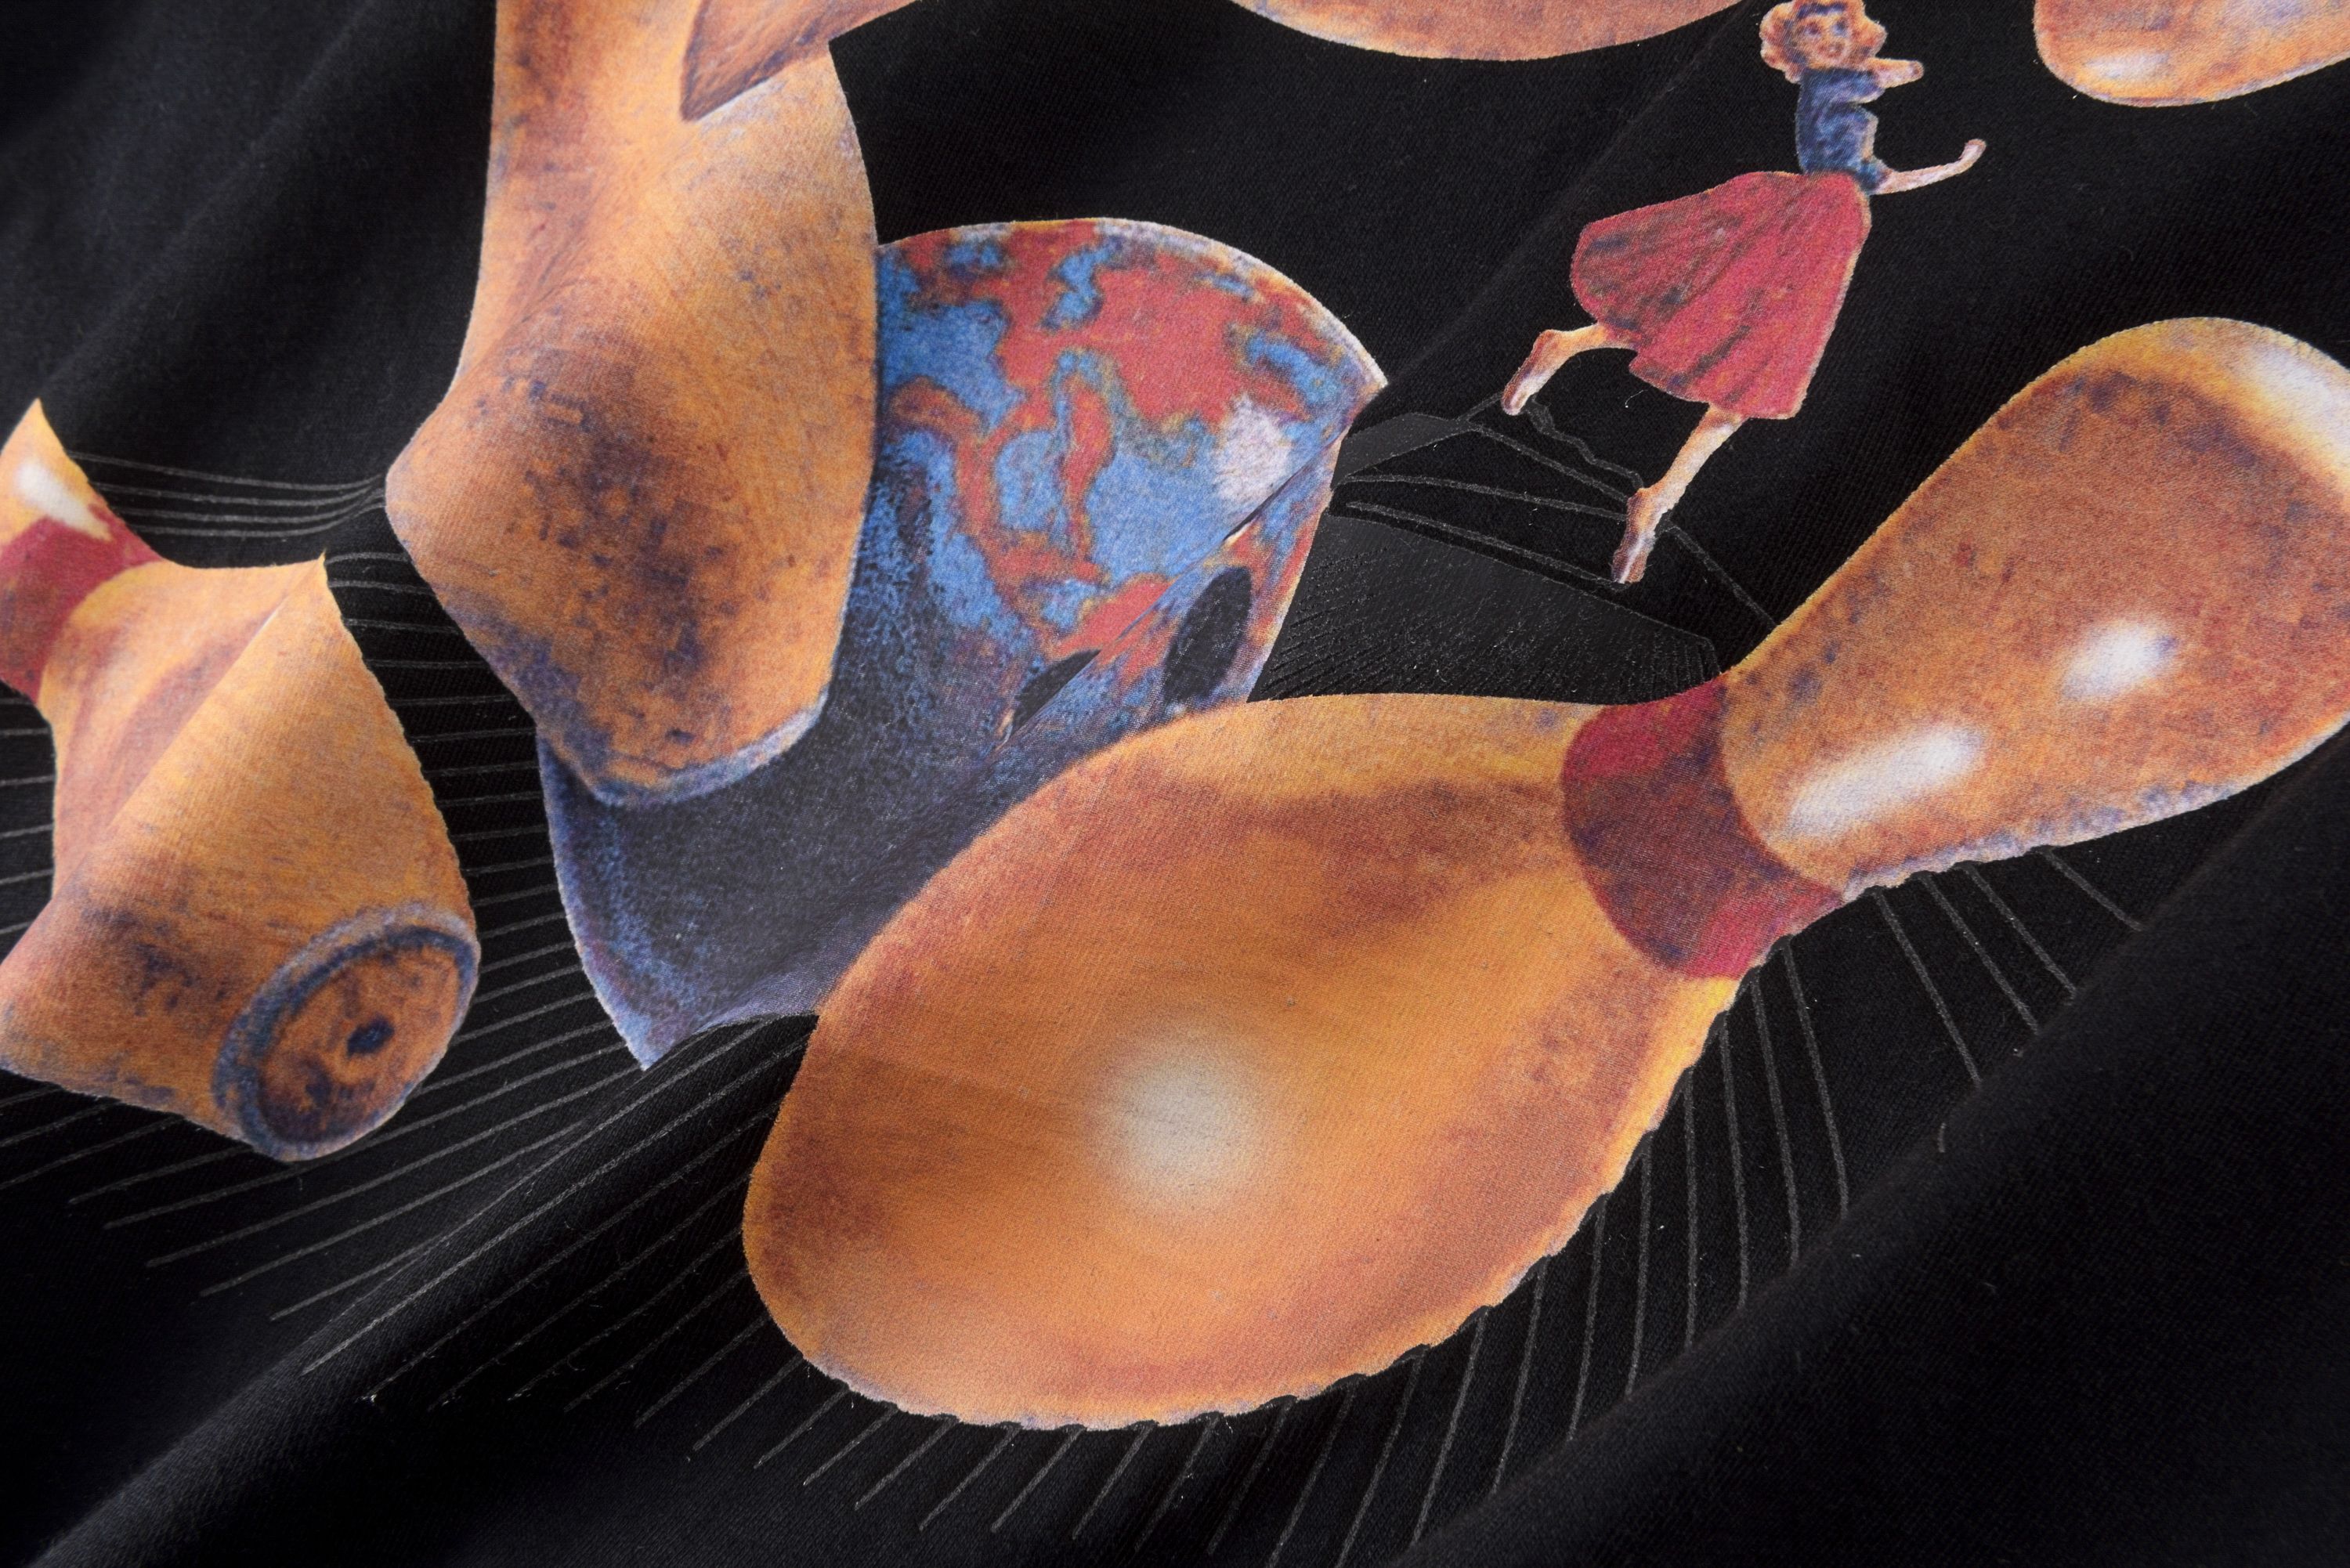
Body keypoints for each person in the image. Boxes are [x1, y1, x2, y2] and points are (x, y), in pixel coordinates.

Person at [1502, 0, 1984, 583]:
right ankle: (1569, 352)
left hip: (1829, 245)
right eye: (1813, 32)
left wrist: (1951, 169)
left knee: (1747, 382)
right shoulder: (1828, 86)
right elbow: (1870, 80)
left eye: (1838, 27)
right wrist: (1898, 68)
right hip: (1795, 228)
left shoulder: (1844, 101)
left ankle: (1656, 495)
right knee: (1713, 338)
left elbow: (1878, 179)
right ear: (1796, 50)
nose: (1829, 38)